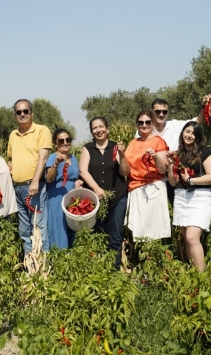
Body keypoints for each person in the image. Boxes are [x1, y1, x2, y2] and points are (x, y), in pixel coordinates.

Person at [167, 121, 211, 271]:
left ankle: (201, 276)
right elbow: (173, 181)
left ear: (198, 136)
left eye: (193, 133)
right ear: (182, 133)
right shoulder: (178, 154)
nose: (189, 135)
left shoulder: (205, 152)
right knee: (187, 239)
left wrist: (190, 180)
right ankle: (193, 273)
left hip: (200, 196)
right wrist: (170, 165)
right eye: (187, 131)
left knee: (192, 237)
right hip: (181, 196)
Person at [79, 117, 128, 269]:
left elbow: (125, 171)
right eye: (95, 128)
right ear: (92, 132)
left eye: (101, 127)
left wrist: (123, 155)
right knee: (97, 234)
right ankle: (98, 269)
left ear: (108, 129)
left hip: (117, 197)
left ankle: (113, 271)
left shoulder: (116, 147)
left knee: (115, 235)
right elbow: (83, 170)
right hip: (95, 199)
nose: (98, 130)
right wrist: (96, 188)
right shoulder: (88, 148)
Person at [7, 99, 52, 254]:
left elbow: (43, 158)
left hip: (33, 188)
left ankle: (43, 269)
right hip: (17, 188)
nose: (22, 114)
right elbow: (11, 161)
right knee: (24, 230)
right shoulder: (13, 134)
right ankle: (30, 267)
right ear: (15, 115)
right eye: (19, 112)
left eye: (26, 111)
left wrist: (34, 182)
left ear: (32, 113)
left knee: (38, 228)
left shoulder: (41, 131)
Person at [119, 110, 170, 240]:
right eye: (141, 122)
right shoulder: (133, 143)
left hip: (152, 188)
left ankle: (154, 258)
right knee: (139, 232)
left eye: (147, 122)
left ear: (152, 124)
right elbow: (126, 169)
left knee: (152, 232)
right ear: (137, 125)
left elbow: (163, 169)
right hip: (135, 188)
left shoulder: (158, 141)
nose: (144, 125)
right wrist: (121, 155)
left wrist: (155, 156)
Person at [135, 94, 211, 151]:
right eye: (158, 111)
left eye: (164, 112)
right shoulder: (143, 130)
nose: (161, 114)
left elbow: (198, 122)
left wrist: (204, 106)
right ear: (152, 112)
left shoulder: (175, 125)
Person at [45, 128, 82, 249]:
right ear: (55, 144)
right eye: (61, 141)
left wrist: (78, 182)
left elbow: (74, 176)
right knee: (59, 229)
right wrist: (56, 164)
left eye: (68, 140)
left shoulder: (74, 158)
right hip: (57, 198)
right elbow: (49, 178)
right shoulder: (52, 157)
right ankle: (59, 260)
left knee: (72, 229)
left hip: (72, 199)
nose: (65, 143)